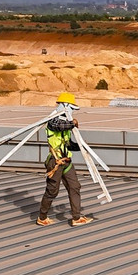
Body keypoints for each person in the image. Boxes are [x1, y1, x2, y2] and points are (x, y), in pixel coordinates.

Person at [36, 92, 94, 227]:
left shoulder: (66, 123)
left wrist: (80, 145)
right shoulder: (53, 119)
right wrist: (72, 123)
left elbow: (67, 144)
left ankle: (76, 217)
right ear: (65, 105)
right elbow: (58, 126)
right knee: (52, 191)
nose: (72, 112)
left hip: (66, 161)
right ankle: (42, 217)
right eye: (71, 108)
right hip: (55, 162)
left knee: (75, 187)